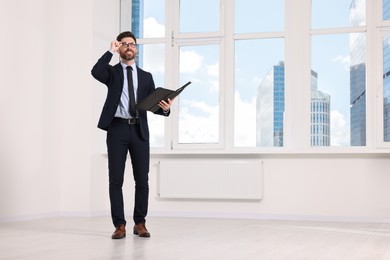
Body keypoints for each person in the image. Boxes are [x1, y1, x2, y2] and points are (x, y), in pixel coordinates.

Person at [91, 31, 173, 239]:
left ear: (136, 49)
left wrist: (164, 108)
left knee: (142, 180)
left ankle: (140, 223)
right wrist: (110, 50)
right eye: (124, 44)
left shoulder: (146, 77)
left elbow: (153, 105)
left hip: (139, 130)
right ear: (120, 48)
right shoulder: (112, 72)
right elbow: (95, 71)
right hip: (117, 129)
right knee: (115, 180)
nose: (129, 47)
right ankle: (119, 225)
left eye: (132, 44)